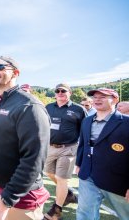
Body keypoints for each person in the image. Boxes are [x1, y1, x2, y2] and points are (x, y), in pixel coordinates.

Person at [0, 56, 51, 220]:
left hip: (15, 199)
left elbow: (34, 160)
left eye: (0, 67)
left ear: (15, 73)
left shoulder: (29, 107)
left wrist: (5, 200)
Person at [76, 88, 129, 220]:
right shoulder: (87, 121)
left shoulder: (127, 122)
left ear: (115, 100)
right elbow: (83, 144)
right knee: (84, 213)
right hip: (88, 175)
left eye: (103, 96)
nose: (97, 99)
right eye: (94, 97)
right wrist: (79, 163)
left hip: (118, 179)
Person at [43, 83, 87, 219]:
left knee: (61, 178)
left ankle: (56, 211)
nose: (60, 93)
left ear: (70, 93)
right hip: (50, 147)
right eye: (58, 91)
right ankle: (68, 194)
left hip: (68, 148)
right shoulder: (48, 107)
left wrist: (83, 149)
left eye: (64, 91)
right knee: (50, 173)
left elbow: (85, 129)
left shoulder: (78, 109)